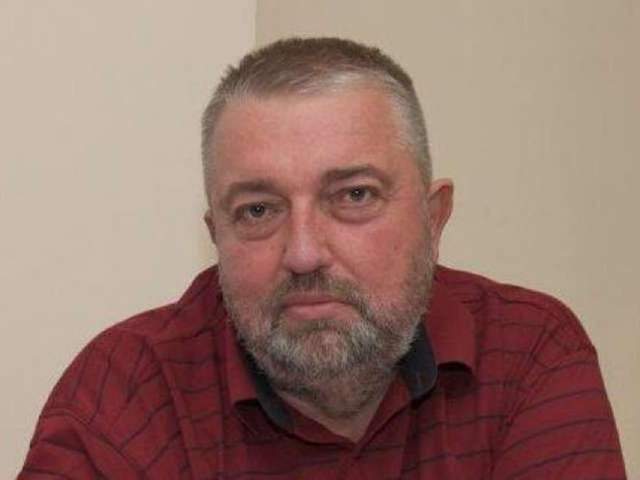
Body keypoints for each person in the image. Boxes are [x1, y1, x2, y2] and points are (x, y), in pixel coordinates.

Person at [19, 37, 626, 479]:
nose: (304, 253)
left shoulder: (526, 354)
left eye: (354, 196)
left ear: (433, 218)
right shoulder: (124, 391)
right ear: (217, 237)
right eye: (259, 210)